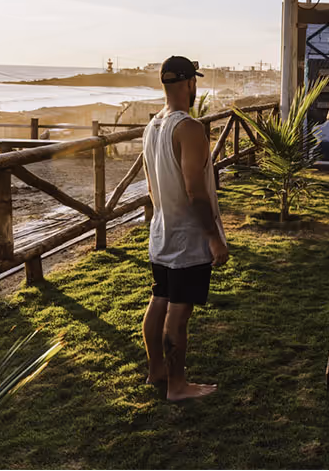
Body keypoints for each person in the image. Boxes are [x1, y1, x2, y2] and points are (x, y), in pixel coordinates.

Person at [142, 56, 230, 401]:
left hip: (162, 230)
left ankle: (156, 371)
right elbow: (195, 190)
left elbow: (150, 187)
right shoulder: (189, 128)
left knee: (159, 298)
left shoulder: (152, 126)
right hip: (187, 237)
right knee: (179, 312)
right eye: (195, 82)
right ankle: (177, 385)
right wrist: (213, 238)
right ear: (189, 83)